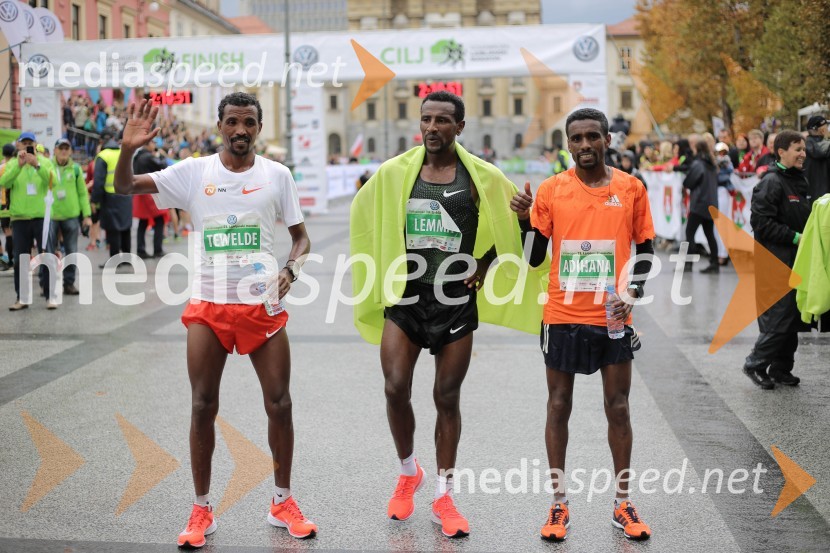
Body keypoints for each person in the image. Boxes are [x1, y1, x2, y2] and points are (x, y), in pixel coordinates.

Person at [113, 93, 315, 548]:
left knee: (279, 403)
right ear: (220, 125)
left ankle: (282, 501)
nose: (239, 130)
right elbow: (125, 188)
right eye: (231, 122)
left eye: (248, 123)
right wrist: (127, 149)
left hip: (262, 305)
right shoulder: (194, 172)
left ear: (258, 127)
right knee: (203, 405)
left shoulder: (277, 175)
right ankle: (202, 508)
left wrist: (291, 270)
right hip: (208, 304)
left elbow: (301, 239)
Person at [350, 91, 545, 539]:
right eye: (426, 120)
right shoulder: (397, 172)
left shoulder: (481, 178)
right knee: (395, 387)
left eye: (442, 120)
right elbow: (366, 214)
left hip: (455, 299)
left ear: (459, 127)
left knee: (446, 396)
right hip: (407, 296)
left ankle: (444, 494)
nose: (432, 127)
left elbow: (514, 228)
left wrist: (486, 259)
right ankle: (407, 472)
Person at [510, 108, 655, 542]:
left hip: (611, 317)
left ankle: (623, 502)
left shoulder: (631, 188)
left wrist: (632, 293)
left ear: (607, 139)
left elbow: (645, 248)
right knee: (558, 405)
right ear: (567, 144)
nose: (585, 144)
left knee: (619, 407)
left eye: (593, 136)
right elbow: (534, 256)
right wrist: (523, 219)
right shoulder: (552, 190)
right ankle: (558, 504)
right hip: (563, 316)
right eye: (577, 138)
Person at [743, 130, 812, 389]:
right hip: (774, 260)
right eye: (797, 149)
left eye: (804, 149)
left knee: (793, 316)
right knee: (780, 316)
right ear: (781, 151)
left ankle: (781, 368)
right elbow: (759, 222)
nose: (803, 154)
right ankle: (756, 364)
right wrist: (795, 238)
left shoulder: (799, 181)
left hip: (796, 261)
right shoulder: (771, 181)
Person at [0, 132, 57, 310]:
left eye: (29, 143)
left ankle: (50, 296)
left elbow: (53, 182)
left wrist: (37, 165)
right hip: (20, 218)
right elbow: (4, 183)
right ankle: (22, 298)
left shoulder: (45, 162)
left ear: (35, 144)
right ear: (18, 145)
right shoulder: (12, 164)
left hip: (41, 216)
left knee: (46, 256)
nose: (26, 146)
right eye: (23, 143)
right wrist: (19, 166)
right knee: (21, 260)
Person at [50, 138, 92, 295]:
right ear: (55, 150)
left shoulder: (75, 169)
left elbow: (82, 193)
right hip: (51, 216)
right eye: (61, 148)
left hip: (71, 217)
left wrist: (87, 215)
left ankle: (69, 283)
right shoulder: (47, 167)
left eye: (66, 148)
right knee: (48, 252)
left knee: (71, 251)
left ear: (70, 151)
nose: (63, 151)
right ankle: (49, 284)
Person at [91, 132, 132, 264]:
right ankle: (126, 259)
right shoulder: (123, 153)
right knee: (125, 227)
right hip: (126, 195)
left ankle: (114, 260)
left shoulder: (103, 156)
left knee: (112, 229)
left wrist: (94, 200)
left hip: (110, 197)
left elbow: (98, 181)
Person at [683, 139, 720, 273]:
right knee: (710, 234)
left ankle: (688, 265)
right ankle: (714, 263)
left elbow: (688, 182)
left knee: (689, 233)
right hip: (711, 204)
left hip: (699, 204)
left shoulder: (698, 164)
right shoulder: (712, 164)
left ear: (697, 150)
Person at [132, 137, 167, 258]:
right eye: (153, 142)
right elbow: (163, 165)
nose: (154, 145)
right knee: (159, 220)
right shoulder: (147, 157)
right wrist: (161, 156)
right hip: (149, 192)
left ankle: (141, 250)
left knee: (143, 221)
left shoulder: (137, 157)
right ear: (148, 144)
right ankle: (157, 249)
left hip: (140, 192)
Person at [803, 115, 829, 202]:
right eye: (826, 127)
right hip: (826, 197)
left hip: (809, 195)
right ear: (821, 130)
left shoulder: (802, 148)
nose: (828, 129)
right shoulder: (828, 147)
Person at [0, 143, 16, 271]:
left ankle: (10, 260)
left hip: (4, 205)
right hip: (16, 203)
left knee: (8, 233)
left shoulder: (1, 168)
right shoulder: (16, 166)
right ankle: (16, 258)